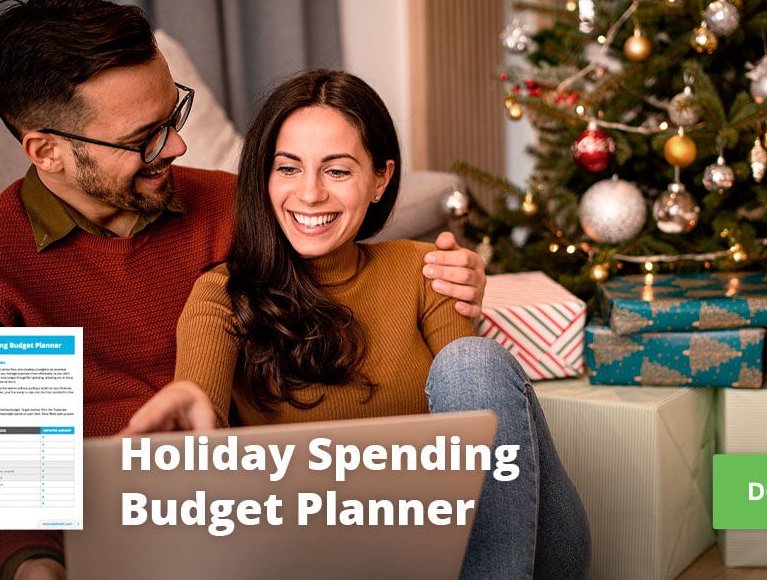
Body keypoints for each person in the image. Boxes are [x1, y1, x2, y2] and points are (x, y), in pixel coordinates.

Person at [0, 0, 486, 580]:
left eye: (174, 116)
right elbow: (4, 496)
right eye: (144, 138)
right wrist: (35, 569)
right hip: (115, 543)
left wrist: (454, 273)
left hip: (268, 518)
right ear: (48, 151)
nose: (178, 148)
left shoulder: (232, 208)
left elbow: (358, 272)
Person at [144, 69, 590, 579]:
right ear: (264, 178)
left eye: (337, 171)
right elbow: (202, 444)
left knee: (474, 360)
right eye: (288, 169)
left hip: (474, 541)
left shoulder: (426, 270)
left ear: (380, 179)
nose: (309, 195)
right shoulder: (223, 296)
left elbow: (479, 449)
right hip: (330, 545)